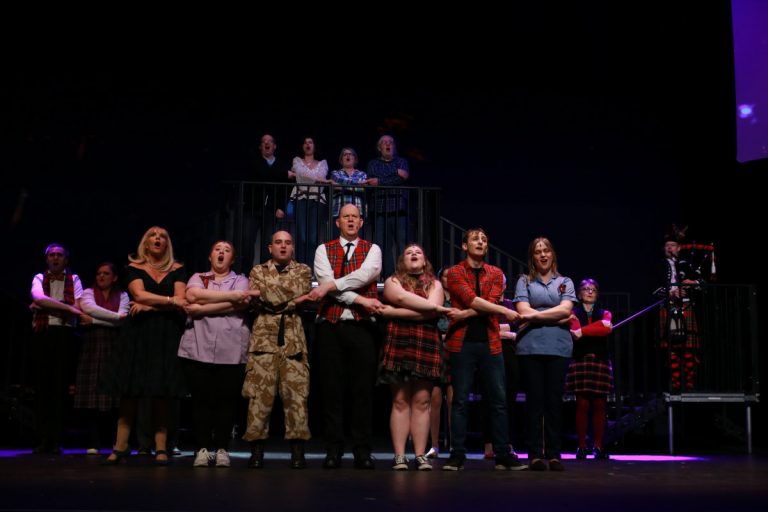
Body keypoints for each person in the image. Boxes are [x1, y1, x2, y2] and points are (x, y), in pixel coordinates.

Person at [99, 226, 188, 466]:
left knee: (162, 391)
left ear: (167, 244)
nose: (158, 238)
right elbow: (140, 295)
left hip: (166, 333)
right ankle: (120, 446)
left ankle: (160, 447)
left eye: (162, 236)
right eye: (153, 235)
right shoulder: (132, 269)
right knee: (130, 390)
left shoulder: (178, 270)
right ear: (145, 243)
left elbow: (182, 302)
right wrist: (167, 301)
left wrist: (150, 306)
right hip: (137, 333)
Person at [442, 228, 525, 471]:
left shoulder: (496, 273)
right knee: (460, 401)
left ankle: (502, 453)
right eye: (475, 239)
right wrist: (504, 311)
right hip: (462, 343)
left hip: (490, 342)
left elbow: (487, 304)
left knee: (499, 400)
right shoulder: (455, 272)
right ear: (465, 246)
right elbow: (474, 300)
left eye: (485, 240)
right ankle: (457, 453)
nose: (481, 242)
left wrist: (469, 313)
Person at [308, 203, 383, 470]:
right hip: (330, 326)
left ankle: (362, 450)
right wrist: (358, 298)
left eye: (355, 217)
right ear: (337, 222)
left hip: (362, 328)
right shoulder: (322, 249)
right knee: (332, 391)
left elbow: (365, 275)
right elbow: (329, 286)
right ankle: (333, 449)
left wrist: (330, 285)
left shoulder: (373, 249)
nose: (350, 220)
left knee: (362, 391)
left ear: (361, 222)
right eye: (345, 217)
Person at [177, 241, 253, 468]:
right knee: (201, 401)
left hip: (231, 349)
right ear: (210, 256)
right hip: (198, 348)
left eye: (227, 250)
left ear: (232, 258)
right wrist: (230, 299)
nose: (221, 252)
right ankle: (201, 448)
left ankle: (222, 448)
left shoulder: (240, 280)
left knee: (226, 402)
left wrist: (202, 307)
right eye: (217, 249)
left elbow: (243, 302)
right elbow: (191, 296)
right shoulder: (198, 277)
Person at [242, 230, 313, 469]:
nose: (283, 246)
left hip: (293, 343)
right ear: (269, 247)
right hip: (263, 344)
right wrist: (293, 302)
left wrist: (263, 295)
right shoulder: (257, 271)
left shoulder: (302, 270)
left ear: (293, 247)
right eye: (278, 243)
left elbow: (301, 291)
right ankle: (256, 453)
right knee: (259, 400)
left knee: (296, 400)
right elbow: (258, 302)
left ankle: (297, 454)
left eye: (288, 243)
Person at [378, 244, 452, 471]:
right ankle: (400, 455)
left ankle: (420, 455)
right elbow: (400, 298)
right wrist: (427, 309)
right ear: (402, 259)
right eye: (409, 252)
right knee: (400, 400)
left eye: (418, 252)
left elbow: (434, 308)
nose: (413, 254)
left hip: (426, 341)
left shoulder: (435, 283)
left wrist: (392, 312)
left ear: (425, 260)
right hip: (399, 340)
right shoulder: (393, 280)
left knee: (422, 401)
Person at [513, 237, 577, 472]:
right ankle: (534, 454)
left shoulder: (565, 281)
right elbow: (522, 309)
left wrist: (533, 315)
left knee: (553, 402)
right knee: (534, 403)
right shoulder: (524, 281)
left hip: (558, 347)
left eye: (546, 250)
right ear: (532, 257)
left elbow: (566, 309)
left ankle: (554, 453)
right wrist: (556, 316)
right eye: (537, 251)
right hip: (530, 347)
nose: (542, 255)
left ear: (552, 254)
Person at [30, 243, 84, 454]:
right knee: (42, 387)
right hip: (43, 333)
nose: (55, 258)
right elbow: (38, 298)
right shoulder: (39, 277)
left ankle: (57, 439)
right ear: (47, 259)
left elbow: (79, 307)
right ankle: (43, 438)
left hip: (64, 334)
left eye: (59, 255)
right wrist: (68, 307)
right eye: (51, 255)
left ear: (65, 260)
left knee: (60, 387)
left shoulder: (75, 279)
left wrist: (45, 305)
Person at [74, 263, 130, 454]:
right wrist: (115, 319)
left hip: (114, 346)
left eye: (106, 274)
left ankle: (115, 440)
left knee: (114, 396)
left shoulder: (122, 295)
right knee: (92, 394)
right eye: (98, 273)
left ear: (114, 277)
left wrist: (96, 321)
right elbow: (89, 309)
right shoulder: (88, 293)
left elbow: (124, 318)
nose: (101, 277)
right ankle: (93, 441)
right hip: (92, 345)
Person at [566, 278, 613, 460]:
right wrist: (595, 328)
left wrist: (584, 331)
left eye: (593, 289)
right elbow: (575, 331)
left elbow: (605, 328)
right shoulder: (572, 312)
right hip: (580, 360)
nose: (590, 292)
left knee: (600, 404)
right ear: (579, 293)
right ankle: (582, 446)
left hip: (600, 360)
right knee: (582, 404)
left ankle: (599, 446)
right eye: (586, 289)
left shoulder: (605, 312)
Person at [658, 233, 702, 392]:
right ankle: (675, 386)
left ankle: (689, 386)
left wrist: (692, 283)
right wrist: (671, 292)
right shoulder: (658, 265)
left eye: (673, 245)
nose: (670, 248)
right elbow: (652, 289)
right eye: (667, 245)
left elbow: (702, 282)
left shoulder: (686, 264)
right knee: (672, 350)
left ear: (679, 248)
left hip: (686, 307)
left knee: (689, 349)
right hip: (668, 307)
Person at [366, 135, 410, 278]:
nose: (388, 144)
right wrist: (395, 172)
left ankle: (404, 275)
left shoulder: (402, 161)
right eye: (384, 142)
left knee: (402, 243)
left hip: (399, 208)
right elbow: (373, 178)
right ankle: (388, 277)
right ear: (380, 148)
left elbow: (401, 180)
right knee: (381, 245)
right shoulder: (373, 163)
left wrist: (380, 181)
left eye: (391, 142)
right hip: (379, 208)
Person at [288, 136, 330, 263]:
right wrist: (319, 180)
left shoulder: (323, 163)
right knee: (302, 236)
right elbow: (305, 176)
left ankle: (311, 268)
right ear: (302, 146)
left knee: (313, 238)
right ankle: (301, 268)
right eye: (305, 142)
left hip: (317, 201)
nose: (308, 144)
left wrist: (299, 175)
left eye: (310, 142)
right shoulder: (297, 160)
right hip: (301, 199)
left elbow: (320, 175)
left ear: (314, 146)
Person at [427, 267, 453, 459]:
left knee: (453, 400)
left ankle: (454, 443)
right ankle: (434, 444)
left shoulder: (459, 298)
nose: (447, 279)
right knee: (434, 399)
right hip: (436, 348)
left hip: (453, 349)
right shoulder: (434, 295)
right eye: (445, 276)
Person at [330, 147, 368, 227]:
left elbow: (362, 189)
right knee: (338, 239)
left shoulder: (362, 174)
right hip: (339, 210)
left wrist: (340, 186)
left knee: (356, 239)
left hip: (357, 211)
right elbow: (360, 186)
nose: (348, 156)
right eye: (345, 154)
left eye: (350, 154)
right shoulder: (335, 173)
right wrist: (357, 184)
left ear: (355, 159)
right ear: (341, 160)